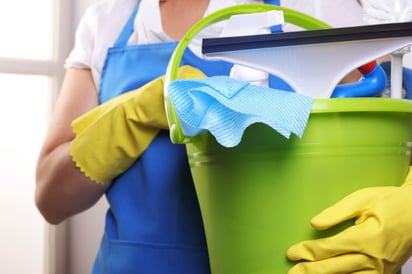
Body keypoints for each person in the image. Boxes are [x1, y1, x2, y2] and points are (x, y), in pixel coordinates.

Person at [35, 0, 411, 273]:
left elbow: (389, 112)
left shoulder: (320, 8)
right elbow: (51, 200)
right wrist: (131, 116)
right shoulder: (109, 20)